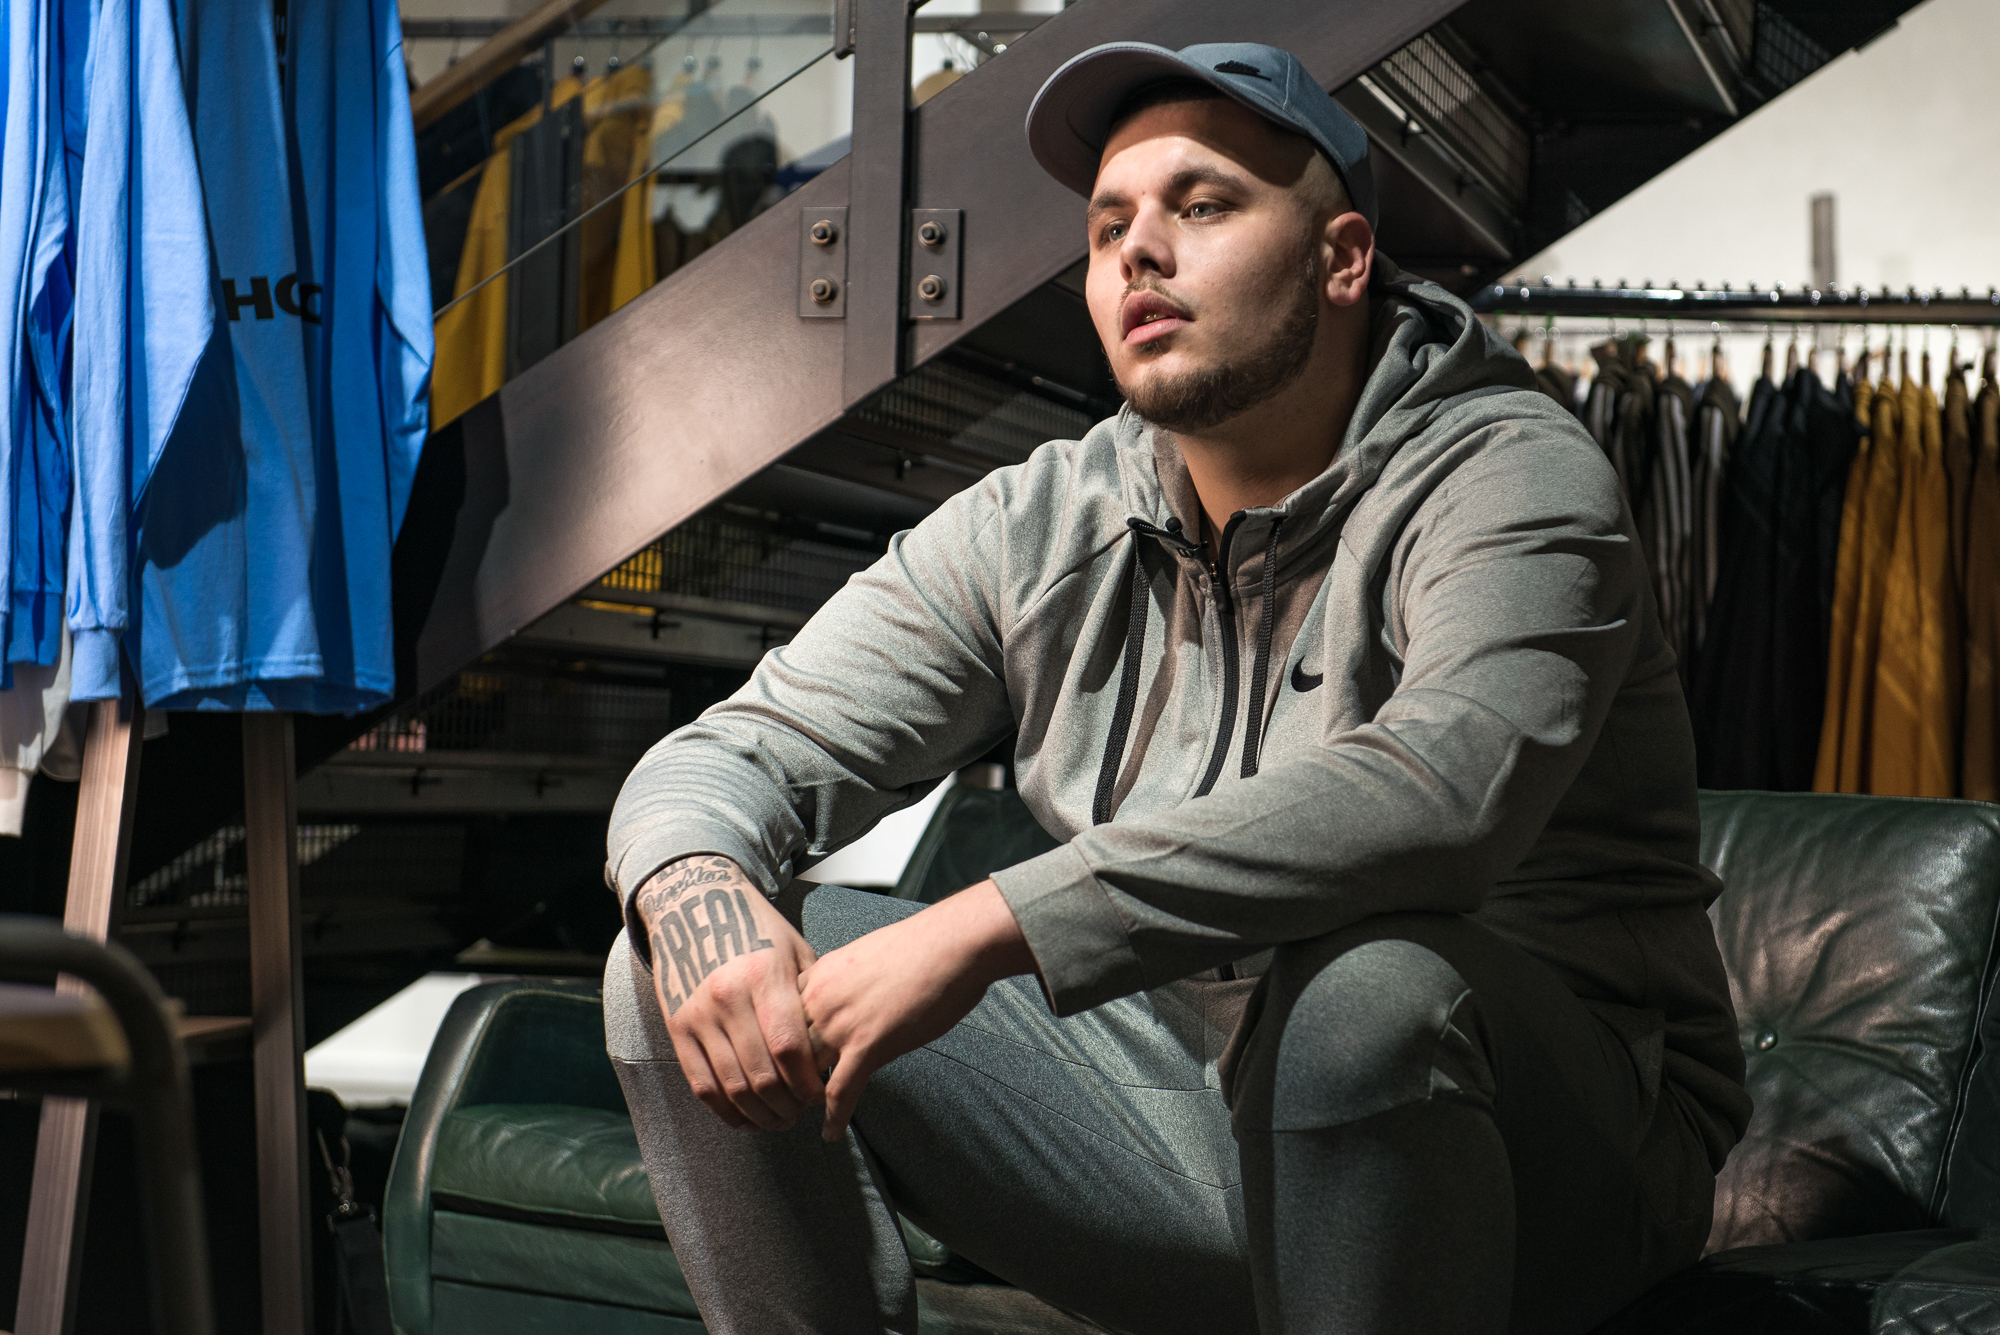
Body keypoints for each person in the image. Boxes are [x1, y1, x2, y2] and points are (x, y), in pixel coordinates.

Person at [604, 39, 1750, 1335]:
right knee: (678, 968)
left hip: (1539, 1154)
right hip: (1186, 1117)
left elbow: (1445, 790)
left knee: (1363, 1000)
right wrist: (694, 887)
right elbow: (736, 751)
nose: (1138, 252)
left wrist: (987, 925)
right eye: (1108, 228)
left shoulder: (1509, 475)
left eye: (1202, 206)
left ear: (1342, 260)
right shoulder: (1045, 519)